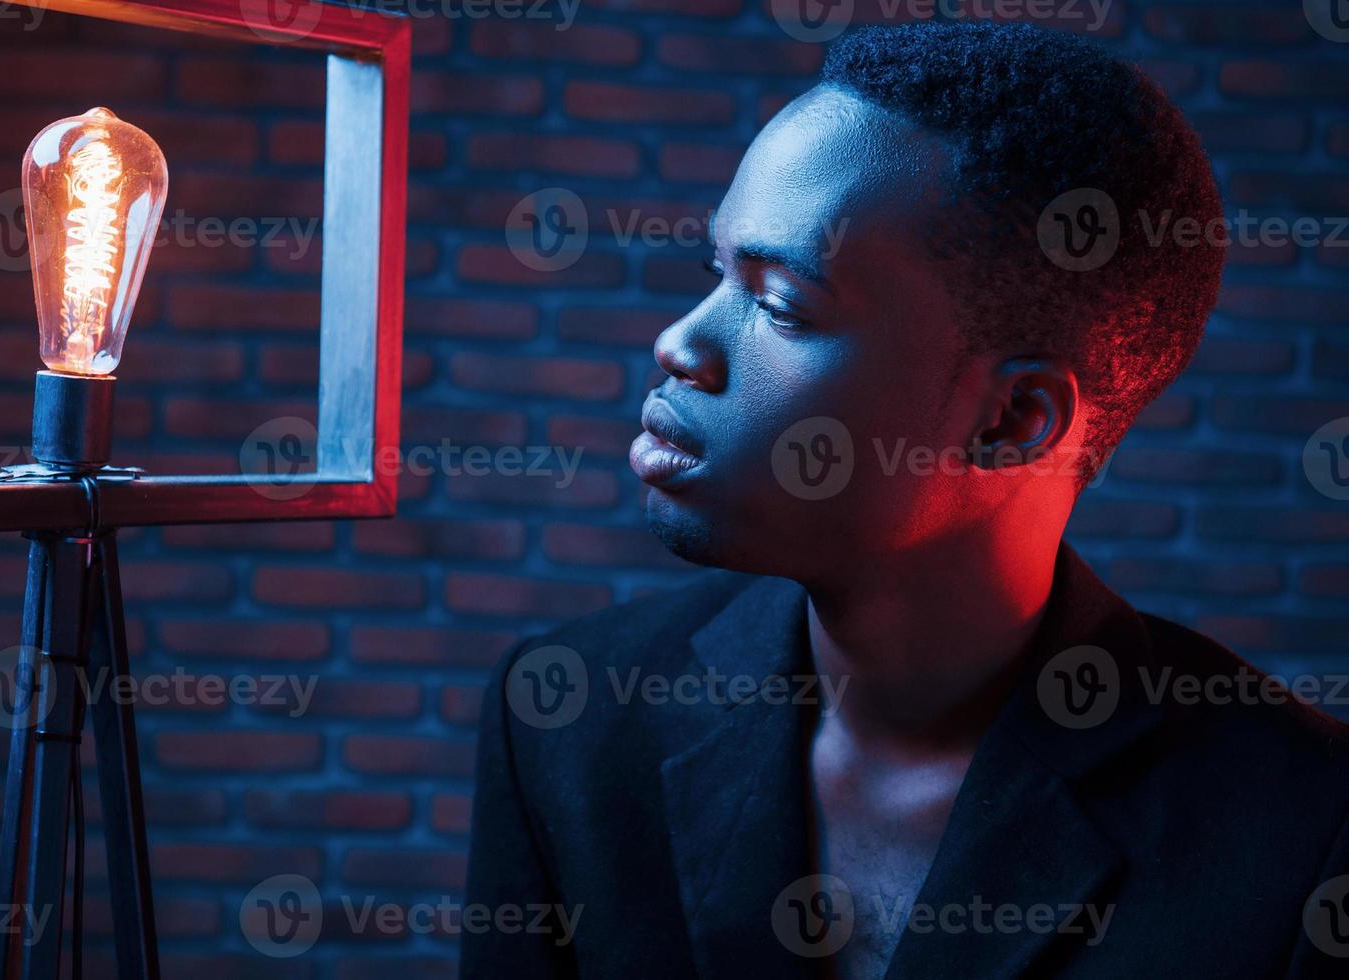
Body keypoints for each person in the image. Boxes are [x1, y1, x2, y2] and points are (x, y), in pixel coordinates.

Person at [461, 19, 1349, 979]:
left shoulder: (1303, 837)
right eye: (715, 273)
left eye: (780, 305)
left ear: (1015, 420)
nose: (681, 343)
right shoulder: (569, 725)